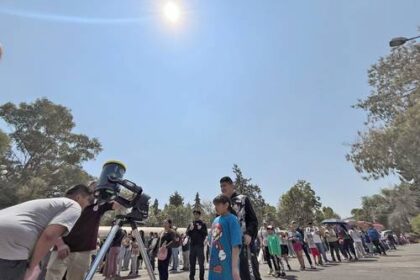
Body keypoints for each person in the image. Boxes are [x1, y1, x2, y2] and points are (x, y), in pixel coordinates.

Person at [0, 184, 91, 280]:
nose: (88, 204)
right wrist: (32, 267)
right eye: (88, 200)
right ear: (78, 197)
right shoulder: (74, 206)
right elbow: (49, 235)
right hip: (13, 244)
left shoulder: (49, 203)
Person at [46, 181, 120, 280]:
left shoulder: (100, 206)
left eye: (98, 188)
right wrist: (60, 244)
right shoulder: (69, 203)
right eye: (92, 188)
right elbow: (54, 225)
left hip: (83, 252)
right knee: (52, 276)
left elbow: (117, 205)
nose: (95, 190)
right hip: (61, 248)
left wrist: (113, 193)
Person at [220, 176, 261, 280]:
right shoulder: (221, 204)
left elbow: (253, 220)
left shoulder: (242, 199)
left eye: (224, 185)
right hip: (227, 245)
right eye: (221, 186)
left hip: (243, 242)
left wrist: (249, 233)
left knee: (249, 273)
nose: (222, 188)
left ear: (232, 185)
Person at [209, 194, 241, 280]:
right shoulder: (215, 220)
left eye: (218, 205)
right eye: (214, 205)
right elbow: (211, 242)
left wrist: (235, 269)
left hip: (227, 266)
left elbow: (236, 246)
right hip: (214, 265)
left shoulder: (233, 219)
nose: (215, 208)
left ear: (226, 205)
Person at [187, 209, 208, 280]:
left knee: (201, 263)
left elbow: (205, 234)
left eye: (197, 214)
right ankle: (191, 277)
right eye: (194, 214)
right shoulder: (191, 223)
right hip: (192, 245)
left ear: (199, 215)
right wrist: (190, 229)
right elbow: (187, 233)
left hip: (199, 246)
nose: (195, 215)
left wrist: (200, 229)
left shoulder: (203, 224)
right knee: (192, 263)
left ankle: (201, 278)